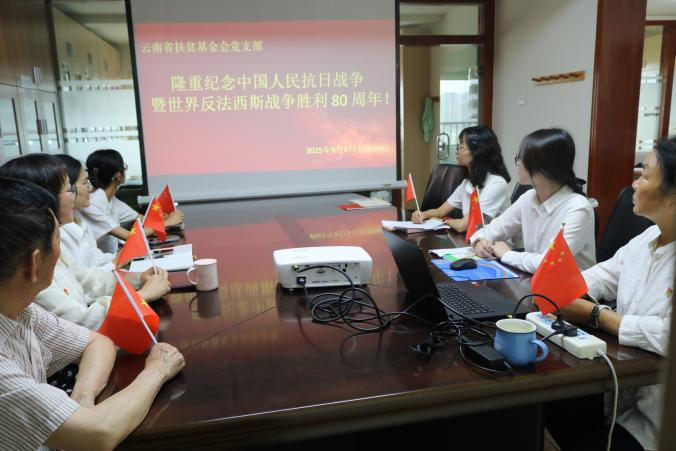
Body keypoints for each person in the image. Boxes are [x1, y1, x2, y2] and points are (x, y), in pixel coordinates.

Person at [0, 177, 185, 451]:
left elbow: (97, 342)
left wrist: (82, 399)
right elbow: (99, 434)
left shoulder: (22, 311)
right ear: (34, 263)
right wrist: (158, 369)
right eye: (57, 239)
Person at [548, 137, 675, 451]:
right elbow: (599, 276)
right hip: (622, 398)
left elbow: (667, 334)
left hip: (658, 425)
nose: (634, 184)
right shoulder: (648, 238)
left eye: (644, 176)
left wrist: (598, 315)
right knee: (540, 405)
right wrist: (566, 290)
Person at [0, 154, 170, 330]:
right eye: (69, 189)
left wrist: (138, 279)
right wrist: (143, 296)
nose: (79, 193)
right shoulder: (29, 267)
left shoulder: (51, 244)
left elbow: (88, 280)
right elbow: (78, 321)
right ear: (43, 198)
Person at [470, 128, 596, 273]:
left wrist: (507, 254)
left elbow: (548, 262)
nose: (517, 164)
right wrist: (480, 242)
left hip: (569, 286)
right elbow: (492, 229)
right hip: (533, 280)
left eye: (520, 159)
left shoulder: (578, 208)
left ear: (543, 166)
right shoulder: (528, 197)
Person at [79, 149, 184, 254]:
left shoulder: (111, 200)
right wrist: (167, 222)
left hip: (113, 257)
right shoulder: (92, 204)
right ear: (118, 175)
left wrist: (164, 218)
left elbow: (145, 220)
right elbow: (129, 236)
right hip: (105, 261)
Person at [411, 125, 511, 232]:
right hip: (473, 240)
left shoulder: (496, 184)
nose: (457, 150)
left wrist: (444, 220)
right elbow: (439, 212)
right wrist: (422, 215)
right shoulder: (467, 183)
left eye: (461, 147)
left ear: (478, 152)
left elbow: (462, 226)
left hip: (494, 241)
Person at [55, 153, 116, 269]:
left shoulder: (79, 220)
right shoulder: (59, 233)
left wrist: (118, 259)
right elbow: (83, 275)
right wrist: (116, 264)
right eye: (85, 183)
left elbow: (96, 257)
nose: (91, 188)